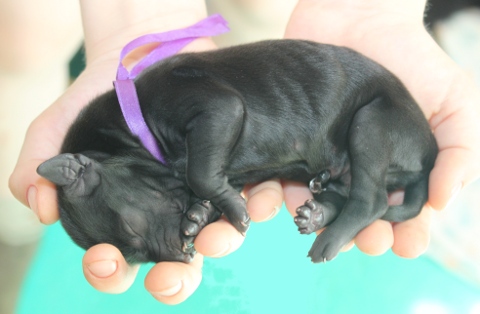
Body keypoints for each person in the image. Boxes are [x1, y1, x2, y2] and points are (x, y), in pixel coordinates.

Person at [8, 0, 480, 306]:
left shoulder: (161, 97)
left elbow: (223, 109)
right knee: (22, 41)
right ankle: (340, 200)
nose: (171, 248)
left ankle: (362, 204)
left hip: (374, 111)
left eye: (138, 232)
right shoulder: (152, 146)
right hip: (329, 143)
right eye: (147, 253)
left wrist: (210, 186)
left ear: (81, 169)